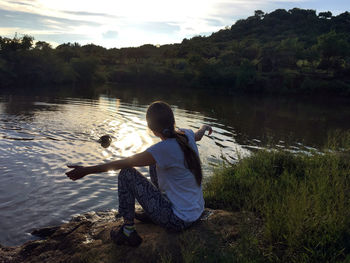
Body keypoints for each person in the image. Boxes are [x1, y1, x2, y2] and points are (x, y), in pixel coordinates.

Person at [66, 101, 212, 246]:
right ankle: (155, 211)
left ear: (152, 129)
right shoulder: (186, 134)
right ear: (173, 121)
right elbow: (198, 134)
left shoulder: (163, 149)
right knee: (154, 164)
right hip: (196, 211)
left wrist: (86, 170)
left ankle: (128, 230)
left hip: (178, 220)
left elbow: (121, 163)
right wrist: (204, 127)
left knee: (126, 173)